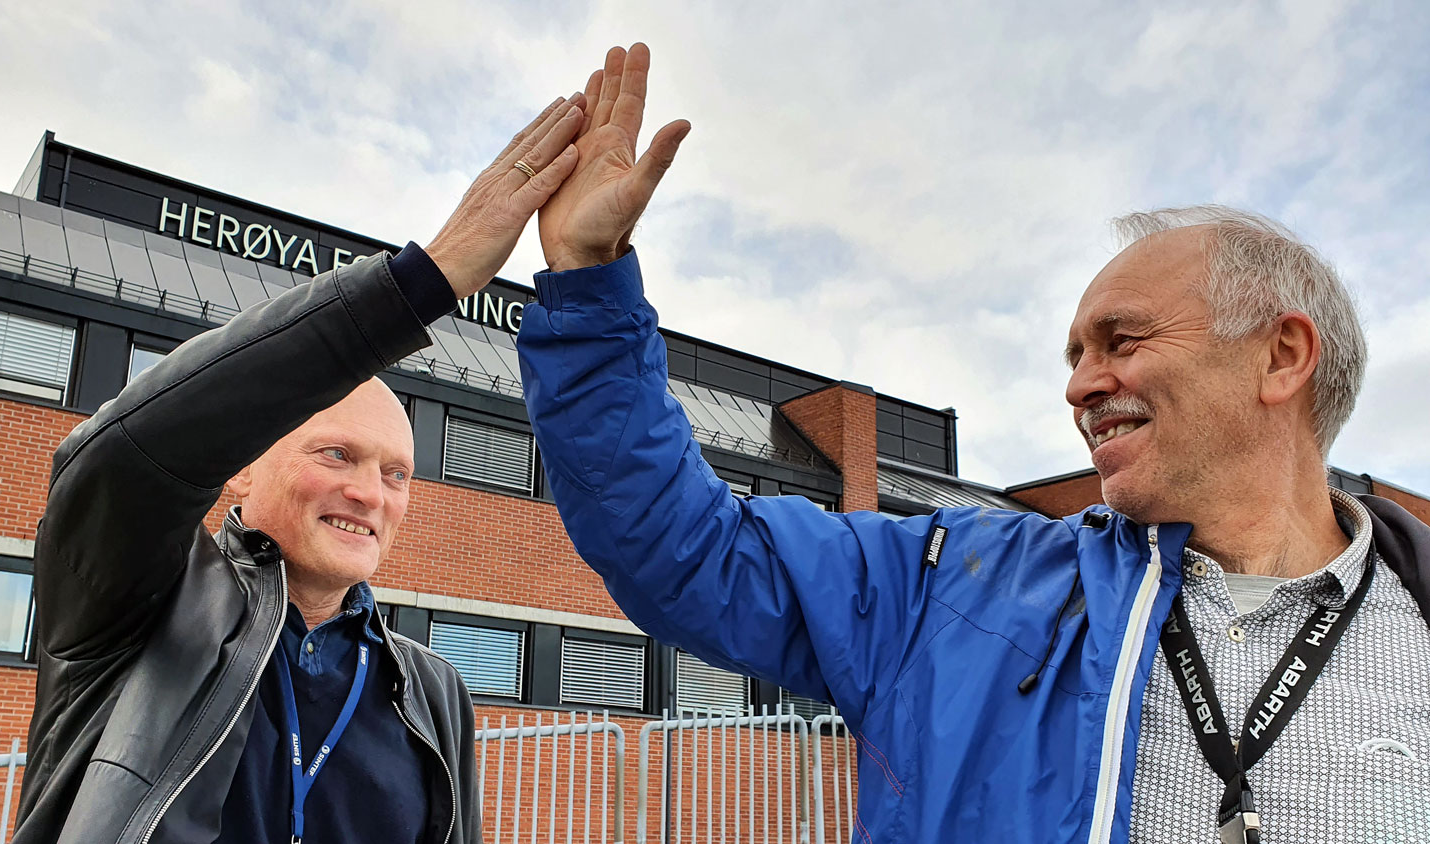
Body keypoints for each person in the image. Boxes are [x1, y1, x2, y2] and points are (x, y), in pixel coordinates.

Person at [519, 44, 1430, 843]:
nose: (1079, 385)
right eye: (1075, 355)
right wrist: (590, 291)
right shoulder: (951, 592)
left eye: (1124, 340)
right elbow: (689, 552)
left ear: (1282, 356)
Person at [16, 92, 592, 844]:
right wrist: (424, 283)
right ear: (241, 469)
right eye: (337, 454)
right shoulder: (137, 608)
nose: (369, 493)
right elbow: (127, 460)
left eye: (396, 474)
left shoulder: (433, 691)